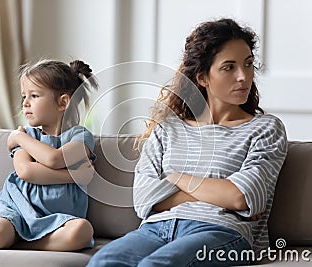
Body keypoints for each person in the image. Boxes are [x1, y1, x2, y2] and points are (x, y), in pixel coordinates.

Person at [87, 18, 288, 266]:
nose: (243, 76)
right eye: (229, 67)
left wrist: (175, 178)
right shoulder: (167, 128)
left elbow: (243, 198)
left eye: (248, 64)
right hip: (154, 230)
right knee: (103, 262)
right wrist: (217, 192)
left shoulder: (265, 128)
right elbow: (143, 199)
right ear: (203, 77)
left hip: (221, 231)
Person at [0, 59, 98, 252]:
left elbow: (55, 159)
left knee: (82, 230)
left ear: (62, 102)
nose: (25, 103)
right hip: (16, 209)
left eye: (34, 95)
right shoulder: (26, 136)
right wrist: (74, 176)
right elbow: (25, 171)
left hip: (58, 220)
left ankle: (19, 243)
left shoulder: (80, 136)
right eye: (24, 96)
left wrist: (19, 139)